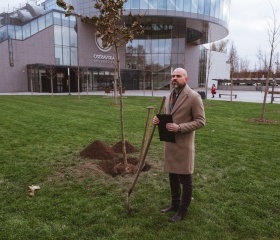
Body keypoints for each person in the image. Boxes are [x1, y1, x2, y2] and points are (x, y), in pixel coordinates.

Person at [153, 67, 206, 223]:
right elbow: (169, 117)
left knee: (185, 179)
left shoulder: (194, 97)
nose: (174, 78)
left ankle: (183, 210)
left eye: (178, 76)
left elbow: (201, 121)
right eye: (173, 76)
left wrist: (180, 127)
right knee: (172, 176)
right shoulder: (169, 95)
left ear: (186, 79)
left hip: (183, 144)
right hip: (170, 142)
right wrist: (158, 120)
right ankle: (174, 205)